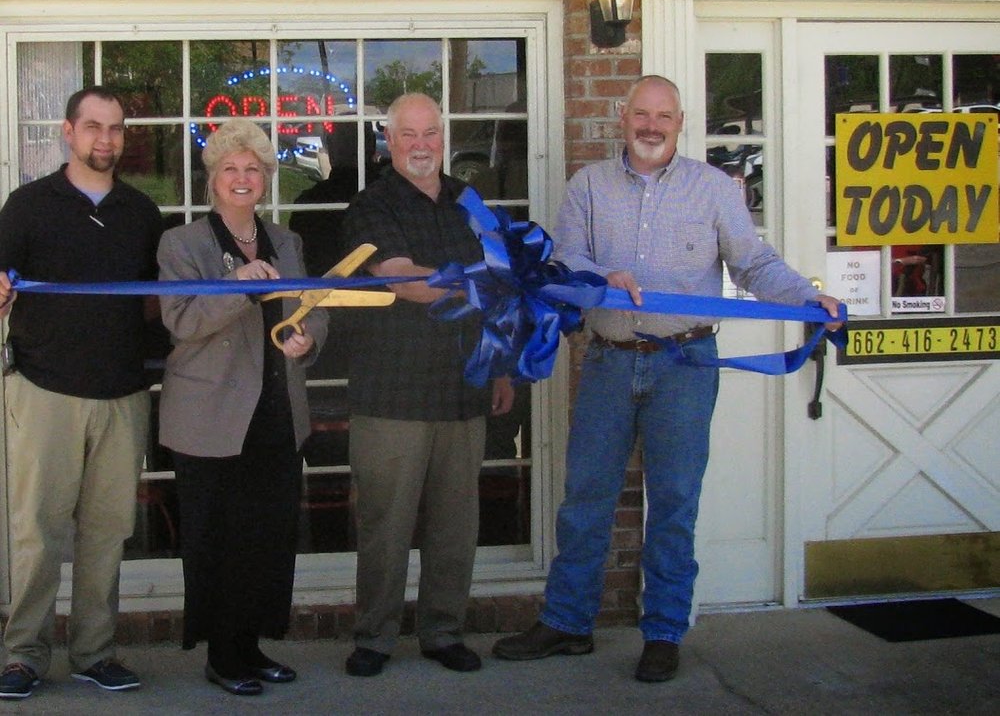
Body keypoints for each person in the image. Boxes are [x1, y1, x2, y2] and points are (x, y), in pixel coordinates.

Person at [493, 76, 842, 682]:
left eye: (663, 116)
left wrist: (810, 301)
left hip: (685, 364)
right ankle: (568, 622)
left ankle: (663, 631)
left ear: (680, 123)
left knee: (675, 504)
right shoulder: (589, 186)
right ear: (622, 119)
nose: (650, 126)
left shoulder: (711, 188)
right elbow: (564, 260)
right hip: (606, 360)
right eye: (640, 115)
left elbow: (753, 263)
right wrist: (605, 275)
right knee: (585, 500)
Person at [339, 92, 514, 677]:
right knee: (386, 525)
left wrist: (503, 363)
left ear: (444, 136)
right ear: (389, 141)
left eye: (431, 133)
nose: (421, 145)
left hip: (464, 389)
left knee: (454, 526)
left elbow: (508, 279)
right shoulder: (371, 206)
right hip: (391, 394)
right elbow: (401, 279)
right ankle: (375, 636)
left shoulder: (470, 203)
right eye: (408, 134)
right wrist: (474, 285)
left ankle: (443, 631)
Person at [0, 87, 163, 700]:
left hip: (123, 394)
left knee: (107, 532)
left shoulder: (142, 213)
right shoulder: (27, 205)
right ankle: (23, 656)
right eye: (94, 127)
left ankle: (96, 652)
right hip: (44, 392)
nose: (106, 140)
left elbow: (155, 303)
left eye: (116, 129)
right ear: (68, 132)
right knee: (36, 532)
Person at [156, 118, 328, 697]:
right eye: (231, 167)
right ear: (213, 178)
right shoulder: (182, 244)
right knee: (217, 538)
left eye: (253, 167)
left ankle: (252, 647)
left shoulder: (287, 241)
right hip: (210, 418)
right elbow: (180, 321)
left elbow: (314, 306)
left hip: (277, 412)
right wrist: (239, 291)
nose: (242, 176)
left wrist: (308, 338)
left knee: (268, 537)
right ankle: (223, 655)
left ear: (266, 177)